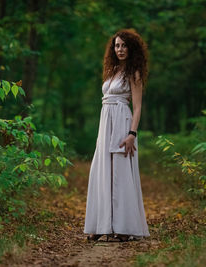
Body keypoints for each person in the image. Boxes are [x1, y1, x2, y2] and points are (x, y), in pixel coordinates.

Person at [84, 29, 150, 242]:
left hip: (122, 123)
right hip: (105, 125)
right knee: (102, 170)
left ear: (132, 48)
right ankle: (101, 224)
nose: (120, 49)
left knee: (120, 173)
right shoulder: (111, 70)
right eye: (117, 45)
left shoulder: (134, 73)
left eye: (124, 45)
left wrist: (132, 133)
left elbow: (138, 107)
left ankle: (123, 227)